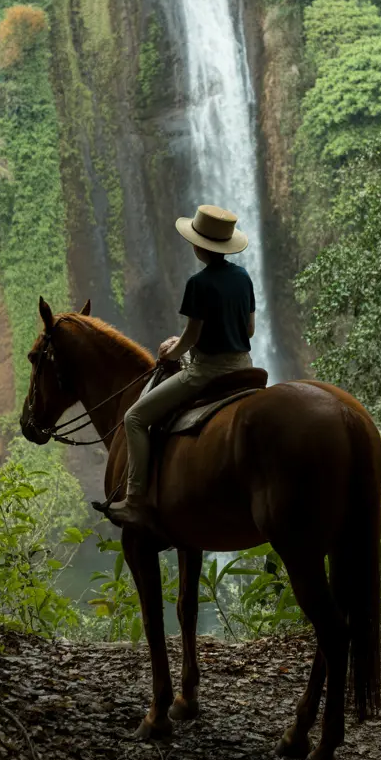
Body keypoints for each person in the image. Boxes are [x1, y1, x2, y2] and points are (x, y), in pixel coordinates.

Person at [107, 204, 256, 529]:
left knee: (134, 418)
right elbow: (249, 330)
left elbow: (191, 338)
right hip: (244, 366)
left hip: (207, 371)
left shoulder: (198, 283)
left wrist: (171, 352)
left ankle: (135, 502)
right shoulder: (243, 276)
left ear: (200, 245)